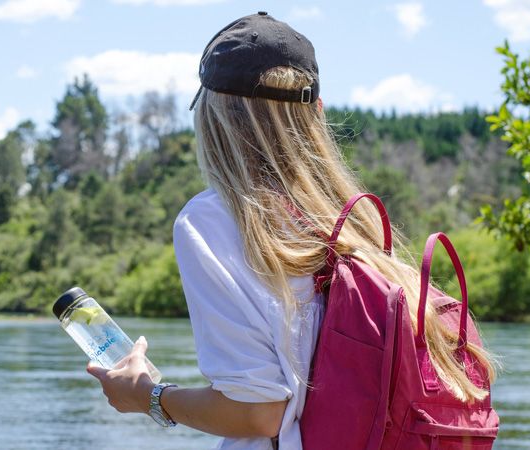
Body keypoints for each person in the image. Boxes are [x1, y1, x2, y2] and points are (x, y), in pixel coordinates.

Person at [85, 12, 495, 450]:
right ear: (315, 114)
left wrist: (149, 397)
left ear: (212, 115)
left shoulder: (211, 220)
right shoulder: (355, 222)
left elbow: (259, 411)